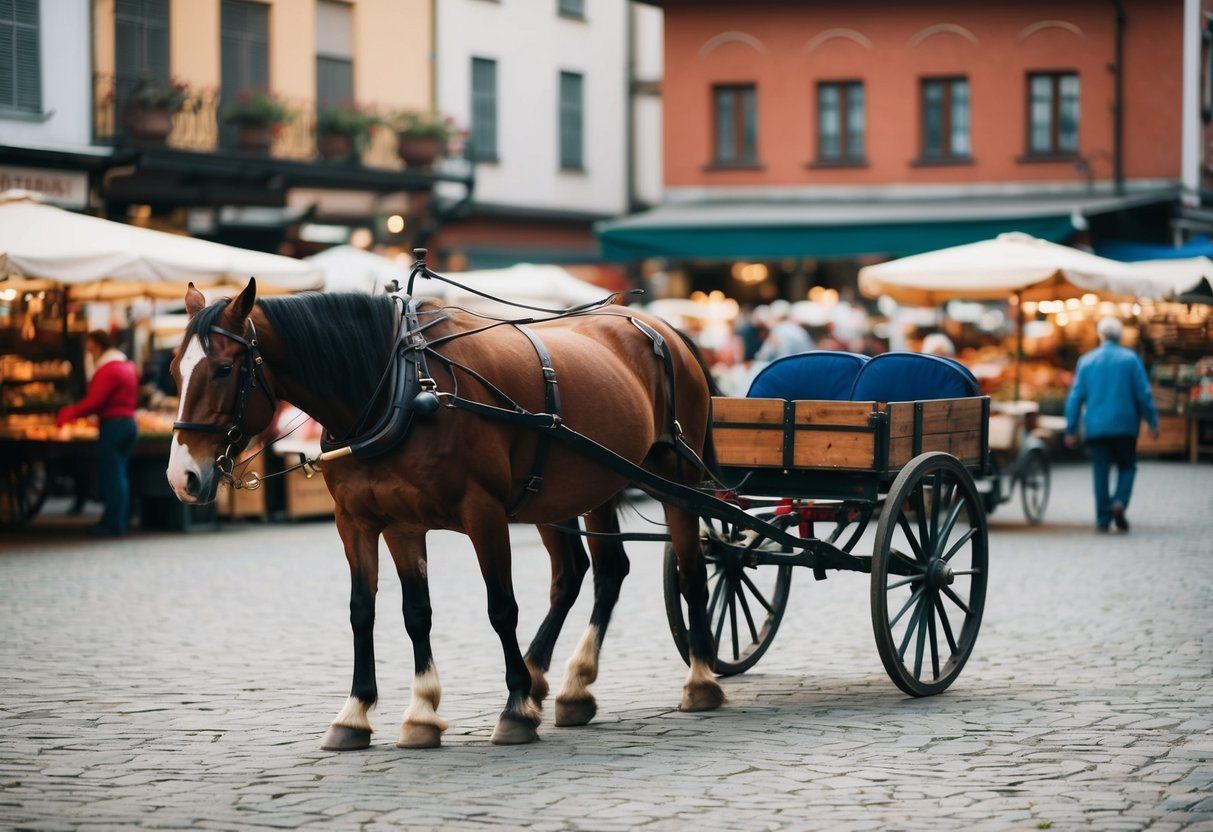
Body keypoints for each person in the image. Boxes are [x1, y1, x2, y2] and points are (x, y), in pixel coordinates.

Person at [1064, 317, 1159, 533]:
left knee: (1101, 471)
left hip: (1096, 427)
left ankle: (1103, 519)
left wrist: (1071, 428)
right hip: (1125, 426)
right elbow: (1143, 394)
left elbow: (1075, 397)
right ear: (1120, 336)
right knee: (1127, 466)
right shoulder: (1131, 359)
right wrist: (1152, 422)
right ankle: (1119, 503)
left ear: (1100, 335)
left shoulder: (1086, 361)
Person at [57, 330, 139, 537]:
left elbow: (95, 401)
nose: (88, 351)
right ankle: (118, 520)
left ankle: (112, 524)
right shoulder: (126, 365)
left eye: (90, 346)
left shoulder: (109, 369)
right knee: (120, 474)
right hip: (128, 424)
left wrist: (70, 413)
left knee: (113, 476)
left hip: (114, 426)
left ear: (97, 344)